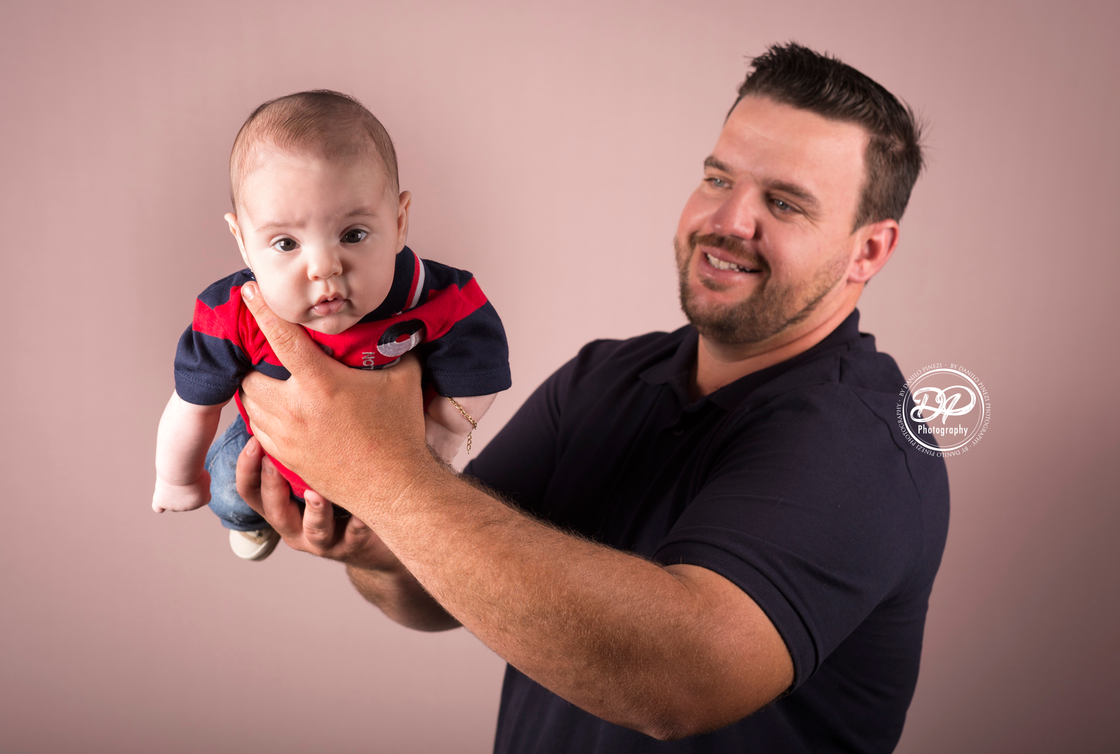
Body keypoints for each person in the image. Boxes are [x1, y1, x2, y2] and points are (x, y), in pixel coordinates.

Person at [232, 44, 949, 752]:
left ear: (869, 251)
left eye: (784, 202)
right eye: (717, 178)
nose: (729, 220)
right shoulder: (606, 376)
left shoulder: (866, 443)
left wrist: (379, 473)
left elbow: (679, 681)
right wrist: (372, 543)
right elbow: (435, 584)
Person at [152, 90, 510, 561]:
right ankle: (252, 524)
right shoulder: (233, 311)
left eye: (353, 235)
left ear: (399, 222)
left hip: (389, 453)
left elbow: (481, 360)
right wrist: (176, 479)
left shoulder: (432, 294)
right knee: (229, 490)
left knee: (418, 517)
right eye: (285, 243)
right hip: (270, 451)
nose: (324, 267)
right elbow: (193, 406)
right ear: (242, 241)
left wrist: (440, 432)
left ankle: (387, 535)